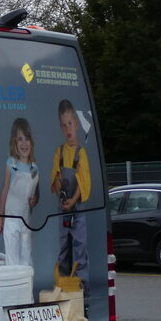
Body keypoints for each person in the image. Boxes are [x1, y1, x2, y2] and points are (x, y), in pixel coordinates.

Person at [50, 99, 91, 294]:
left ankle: (82, 290)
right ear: (60, 126)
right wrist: (61, 193)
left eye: (71, 124)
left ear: (76, 123)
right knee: (64, 249)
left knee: (79, 248)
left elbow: (83, 184)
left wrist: (72, 201)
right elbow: (55, 178)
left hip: (78, 209)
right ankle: (64, 289)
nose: (68, 129)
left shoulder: (81, 153)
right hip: (63, 210)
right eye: (64, 125)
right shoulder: (59, 151)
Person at [0, 118, 39, 266]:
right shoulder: (11, 164)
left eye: (26, 139)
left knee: (26, 257)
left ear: (31, 142)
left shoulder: (34, 168)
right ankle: (13, 286)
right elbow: (5, 190)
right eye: (20, 139)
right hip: (11, 219)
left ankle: (26, 286)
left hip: (25, 221)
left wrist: (34, 200)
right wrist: (0, 218)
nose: (23, 143)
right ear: (14, 142)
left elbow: (34, 193)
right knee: (12, 258)